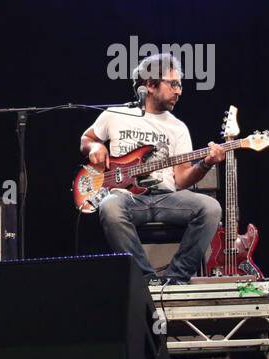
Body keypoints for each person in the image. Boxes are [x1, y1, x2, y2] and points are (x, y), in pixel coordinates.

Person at [80, 54, 223, 283]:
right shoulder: (115, 115)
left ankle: (175, 279)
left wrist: (205, 163)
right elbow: (86, 138)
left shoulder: (178, 128)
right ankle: (146, 279)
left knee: (211, 208)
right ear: (150, 84)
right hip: (127, 198)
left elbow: (181, 179)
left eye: (180, 85)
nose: (179, 91)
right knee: (109, 207)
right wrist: (94, 146)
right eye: (173, 83)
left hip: (167, 198)